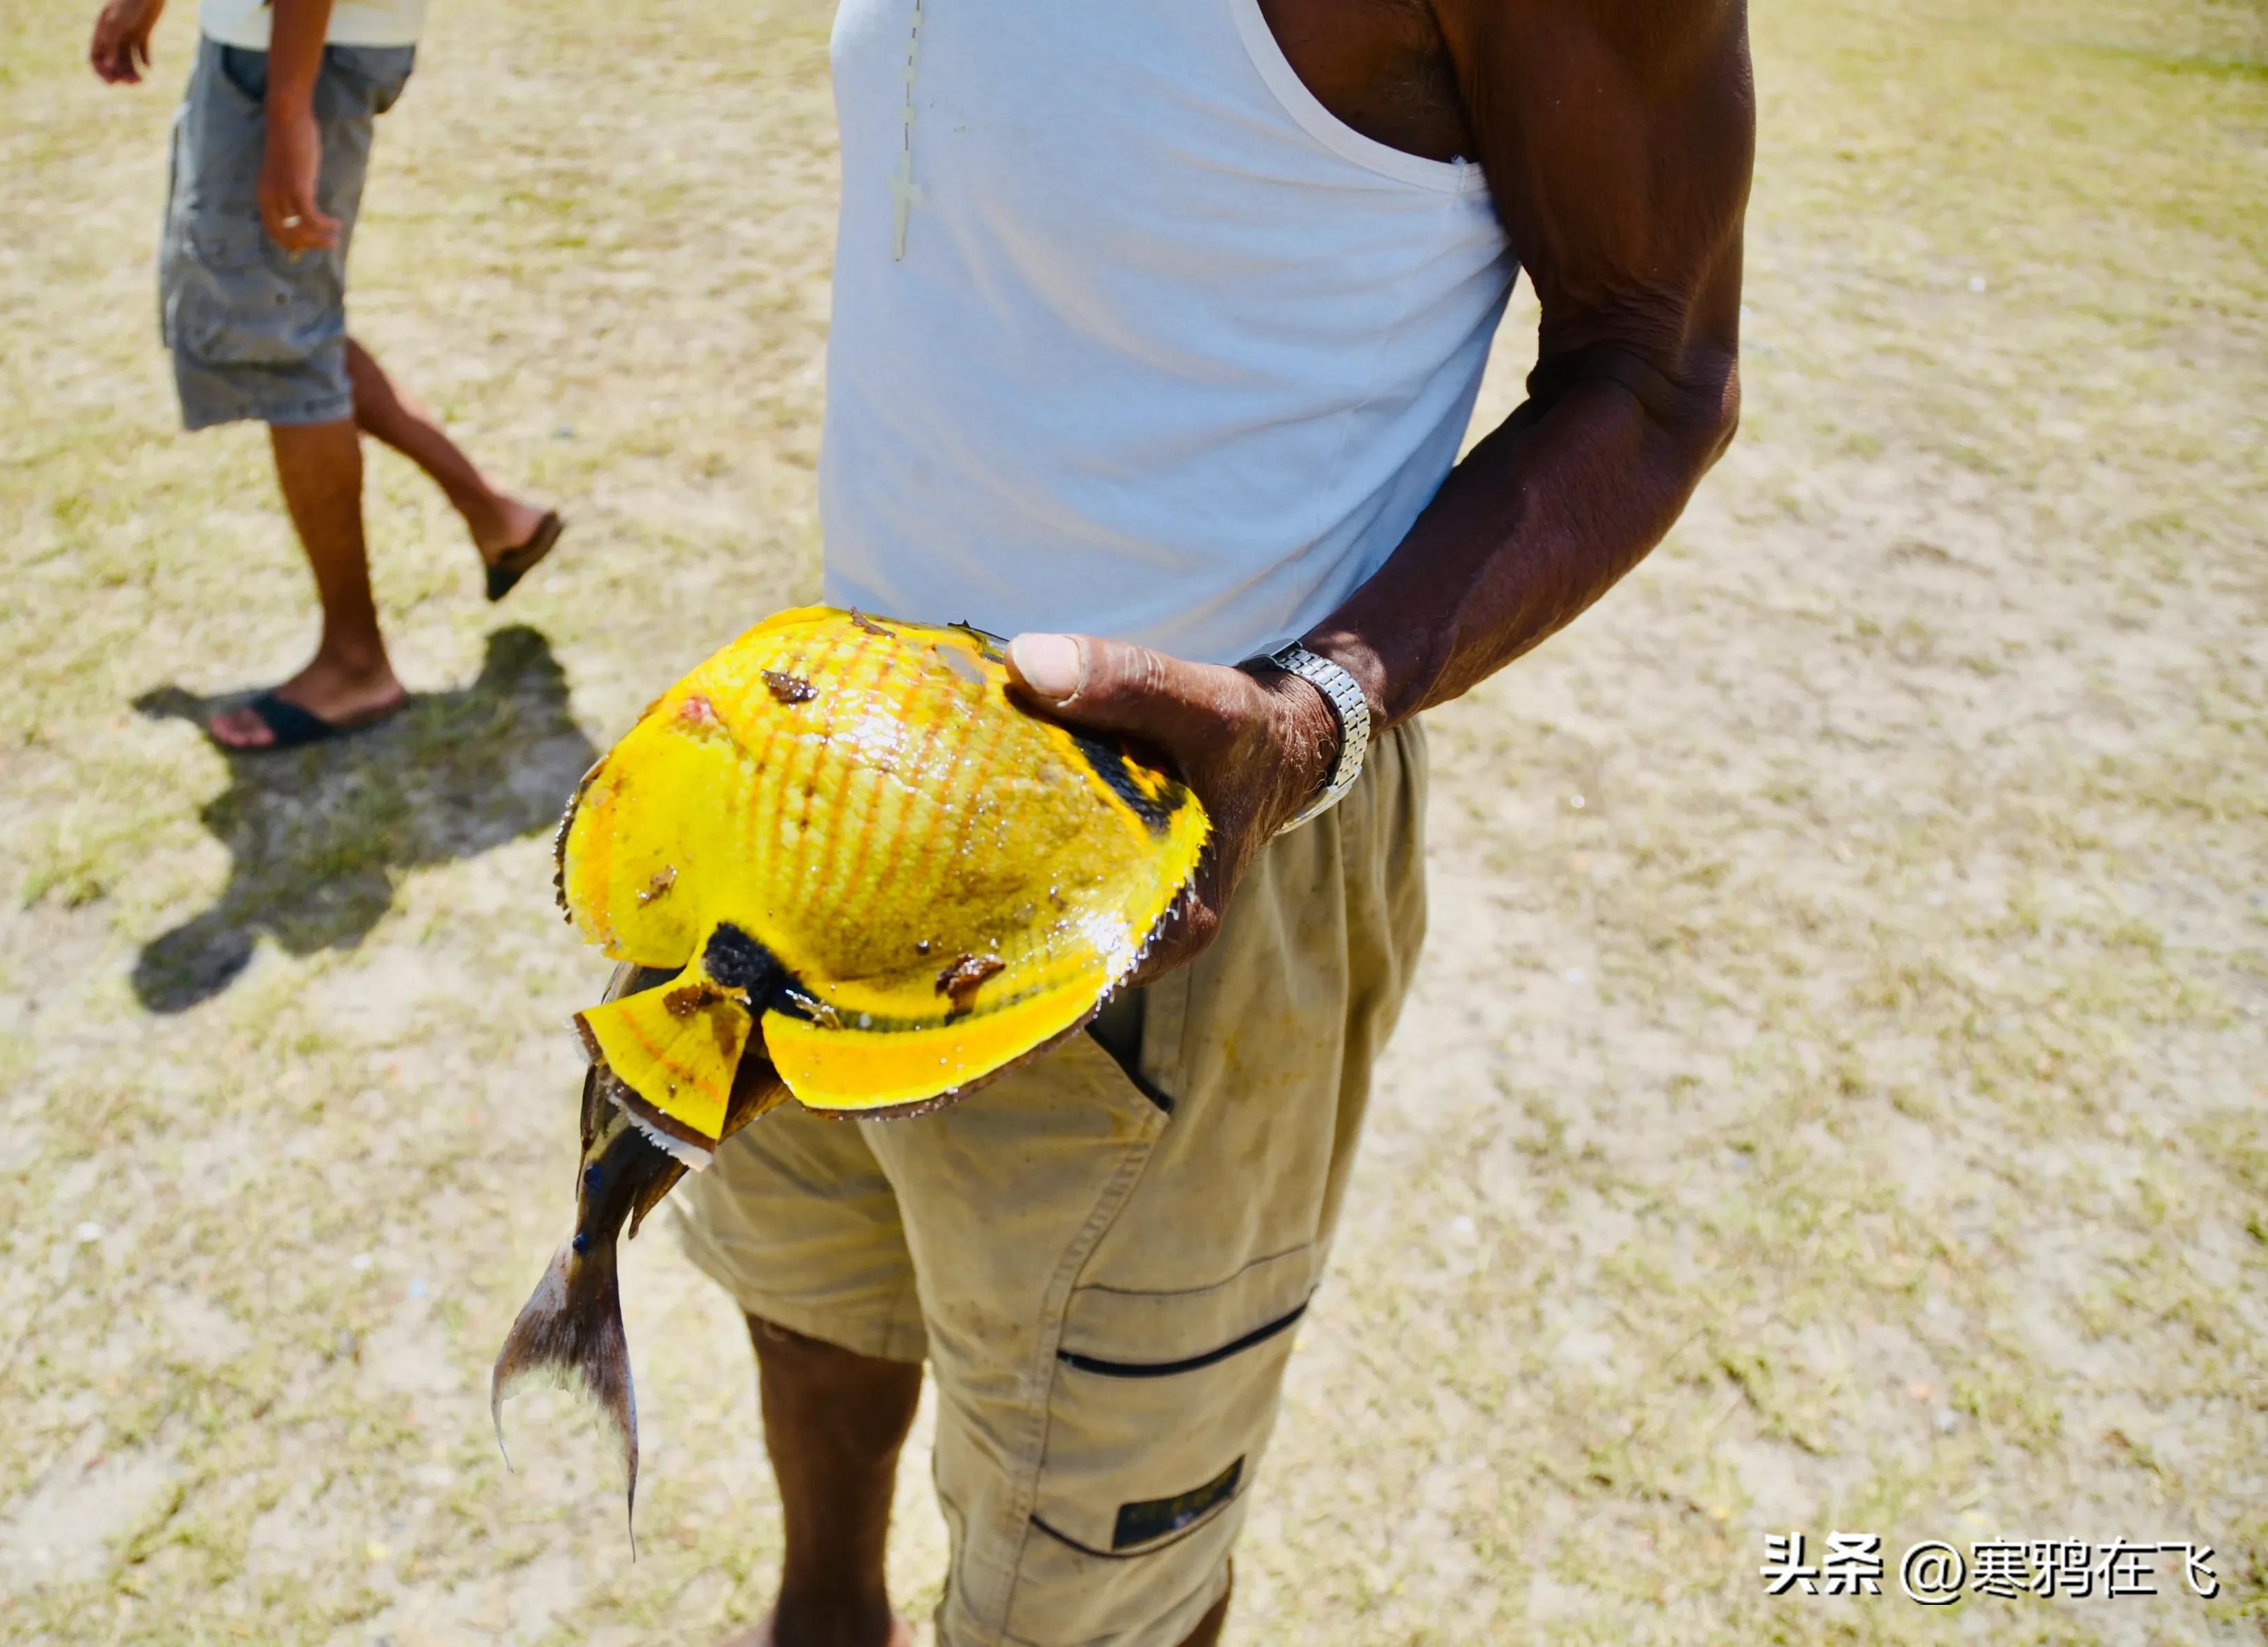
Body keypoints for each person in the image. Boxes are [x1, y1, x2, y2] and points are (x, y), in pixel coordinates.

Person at [679, 1, 1752, 1644]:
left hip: (1187, 864)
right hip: (833, 785)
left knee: (1102, 1573)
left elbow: (1658, 364)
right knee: (812, 1285)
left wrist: (1311, 715)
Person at [89, 0, 563, 752]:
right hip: (277, 45)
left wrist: (288, 110)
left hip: (297, 51)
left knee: (282, 347)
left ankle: (355, 664)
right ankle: (498, 516)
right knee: (284, 323)